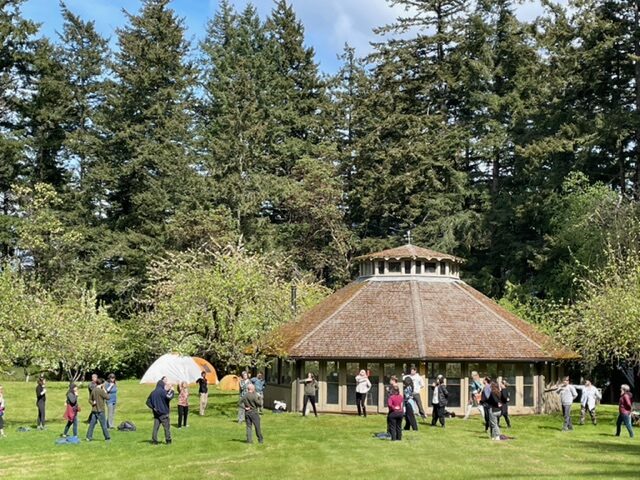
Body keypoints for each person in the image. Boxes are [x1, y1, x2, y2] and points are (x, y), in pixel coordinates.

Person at [146, 376, 174, 445]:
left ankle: (154, 441)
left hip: (156, 413)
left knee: (155, 428)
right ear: (162, 385)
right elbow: (169, 397)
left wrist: (153, 408)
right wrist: (172, 391)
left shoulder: (153, 392)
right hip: (164, 413)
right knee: (166, 428)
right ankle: (168, 440)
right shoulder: (163, 392)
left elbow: (147, 402)